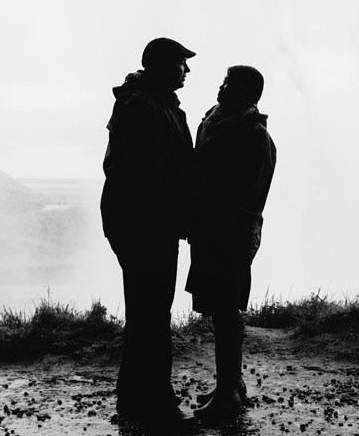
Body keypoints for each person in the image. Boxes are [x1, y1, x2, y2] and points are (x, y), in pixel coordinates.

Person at [101, 38, 196, 428]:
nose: (187, 71)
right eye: (180, 63)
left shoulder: (153, 104)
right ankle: (156, 405)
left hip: (147, 222)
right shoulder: (142, 106)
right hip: (145, 225)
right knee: (152, 313)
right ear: (159, 65)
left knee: (147, 312)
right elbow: (144, 172)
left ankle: (135, 398)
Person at [185, 65, 277, 424]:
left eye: (229, 84)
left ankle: (228, 394)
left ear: (246, 93)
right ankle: (231, 384)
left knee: (225, 311)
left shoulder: (254, 136)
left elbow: (248, 196)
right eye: (223, 82)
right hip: (210, 231)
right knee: (219, 309)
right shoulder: (215, 123)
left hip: (230, 234)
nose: (221, 88)